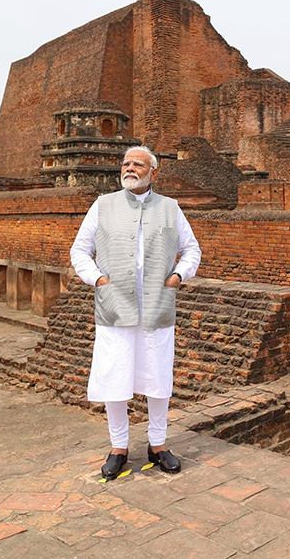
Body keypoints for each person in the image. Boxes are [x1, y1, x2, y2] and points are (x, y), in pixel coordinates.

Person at [70, 145, 201, 479]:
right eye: (125, 163)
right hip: (115, 304)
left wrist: (177, 276)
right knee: (116, 375)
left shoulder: (170, 208)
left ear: (153, 172)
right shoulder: (103, 205)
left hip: (157, 304)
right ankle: (118, 447)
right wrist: (98, 279)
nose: (129, 168)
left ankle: (158, 445)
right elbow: (80, 250)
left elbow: (191, 250)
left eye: (137, 164)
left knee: (157, 377)